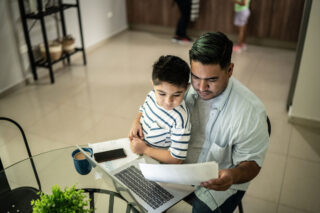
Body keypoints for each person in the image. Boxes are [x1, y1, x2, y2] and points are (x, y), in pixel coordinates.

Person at [184, 32, 269, 212]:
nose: (200, 88)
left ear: (229, 70)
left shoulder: (250, 113)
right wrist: (138, 119)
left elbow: (252, 164)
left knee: (201, 210)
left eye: (211, 80)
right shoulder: (185, 84)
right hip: (183, 166)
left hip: (224, 178)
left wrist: (233, 175)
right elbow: (155, 99)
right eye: (196, 77)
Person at [129, 55, 191, 164]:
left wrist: (145, 149)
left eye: (176, 95)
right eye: (162, 93)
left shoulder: (180, 119)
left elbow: (177, 159)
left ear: (186, 87)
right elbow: (143, 109)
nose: (168, 101)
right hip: (139, 151)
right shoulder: (152, 95)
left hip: (158, 164)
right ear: (153, 84)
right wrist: (137, 121)